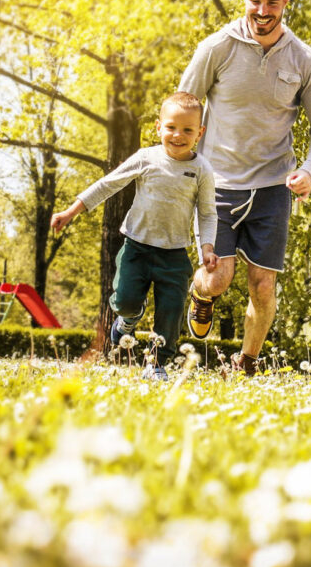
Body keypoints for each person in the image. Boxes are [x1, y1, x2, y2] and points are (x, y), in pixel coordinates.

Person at [179, 0, 311, 376]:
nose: (263, 11)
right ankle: (201, 292)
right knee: (219, 279)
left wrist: (310, 170)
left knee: (263, 284)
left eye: (272, 3)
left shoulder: (304, 59)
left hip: (272, 187)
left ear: (285, 2)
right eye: (255, 2)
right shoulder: (216, 47)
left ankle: (246, 362)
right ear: (244, 0)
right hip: (218, 183)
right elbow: (183, 106)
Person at [50, 91, 218, 381]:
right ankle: (128, 319)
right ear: (158, 127)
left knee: (172, 312)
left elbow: (207, 212)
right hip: (136, 247)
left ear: (199, 133)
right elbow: (107, 185)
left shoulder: (201, 169)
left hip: (174, 253)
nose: (178, 135)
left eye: (187, 130)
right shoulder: (146, 158)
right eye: (171, 127)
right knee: (125, 300)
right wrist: (71, 211)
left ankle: (157, 364)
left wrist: (208, 246)